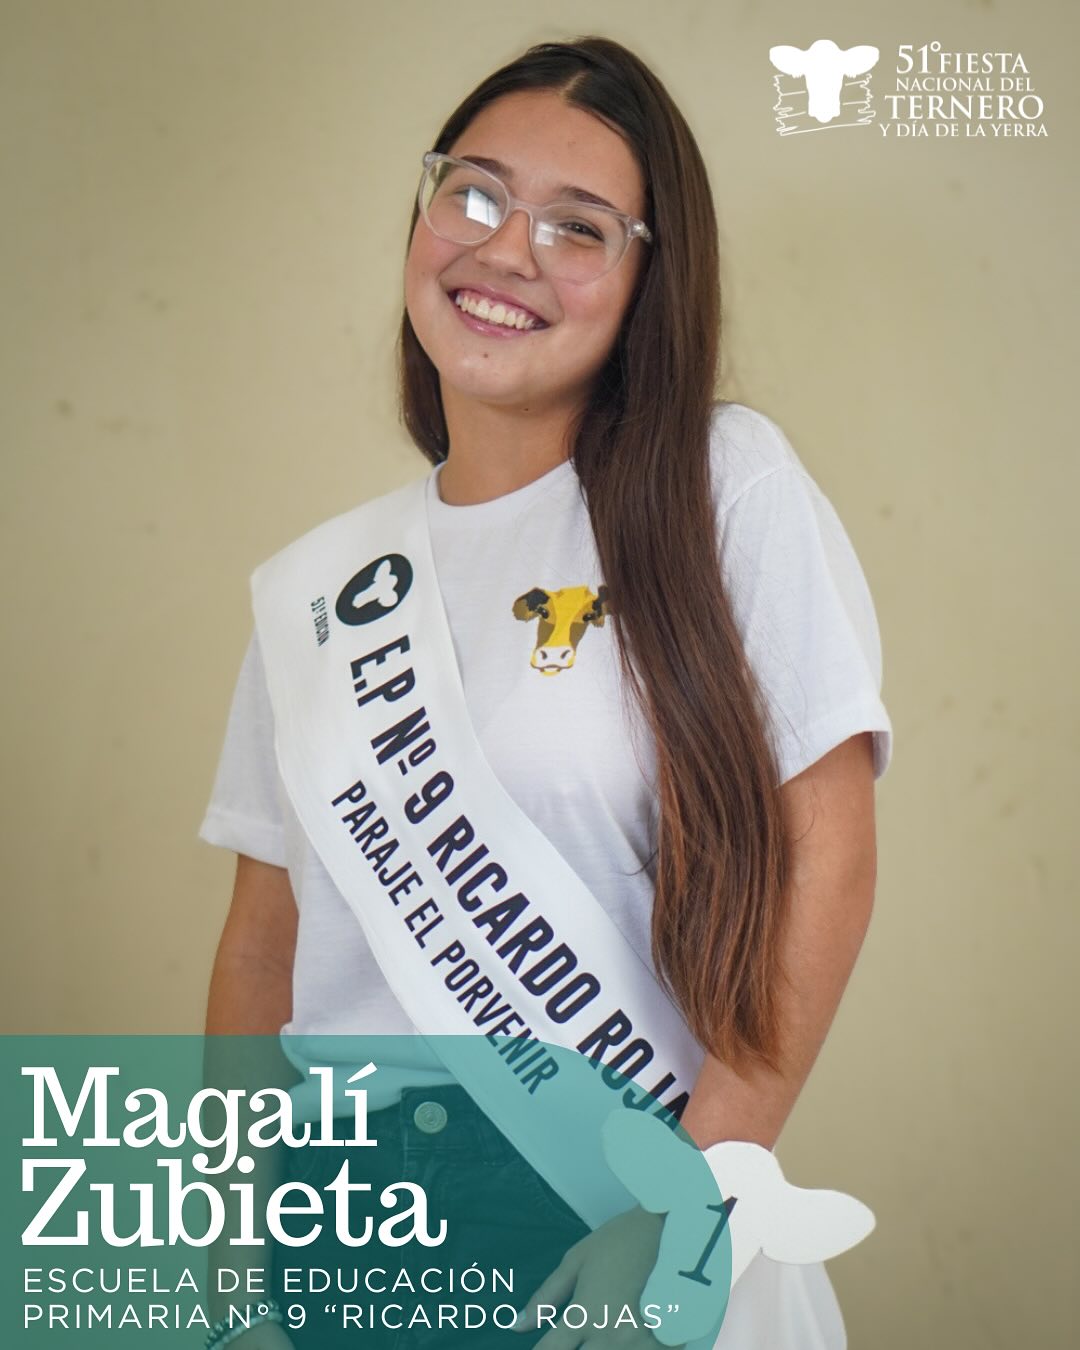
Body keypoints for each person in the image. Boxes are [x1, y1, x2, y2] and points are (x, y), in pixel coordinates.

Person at [199, 33, 893, 1350]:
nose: (507, 250)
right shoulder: (321, 592)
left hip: (612, 1215)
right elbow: (259, 948)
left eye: (579, 227)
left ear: (647, 284)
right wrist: (240, 1258)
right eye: (474, 193)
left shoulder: (722, 485)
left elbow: (829, 860)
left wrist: (686, 1207)